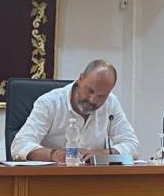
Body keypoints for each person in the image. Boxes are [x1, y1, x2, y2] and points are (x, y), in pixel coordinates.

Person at [10, 60, 139, 161]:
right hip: (51, 178)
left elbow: (132, 145)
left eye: (101, 96)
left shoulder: (111, 103)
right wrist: (55, 155)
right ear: (81, 78)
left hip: (94, 179)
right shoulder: (50, 103)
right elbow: (19, 145)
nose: (93, 100)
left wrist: (102, 154)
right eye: (90, 90)